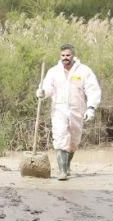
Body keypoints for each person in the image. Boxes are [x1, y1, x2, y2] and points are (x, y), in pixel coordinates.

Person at [37, 43, 101, 180]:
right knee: (60, 137)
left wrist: (91, 108)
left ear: (73, 55)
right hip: (59, 109)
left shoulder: (84, 71)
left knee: (73, 141)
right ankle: (62, 171)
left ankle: (67, 165)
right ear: (60, 56)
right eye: (63, 55)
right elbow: (48, 87)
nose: (65, 58)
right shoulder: (53, 71)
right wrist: (42, 92)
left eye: (68, 55)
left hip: (77, 109)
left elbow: (93, 90)